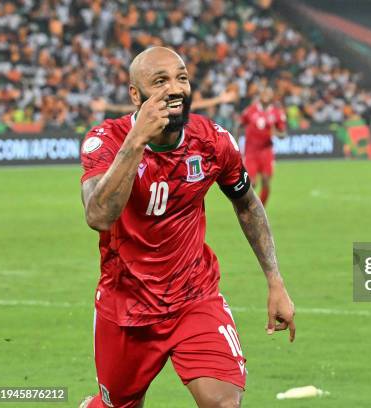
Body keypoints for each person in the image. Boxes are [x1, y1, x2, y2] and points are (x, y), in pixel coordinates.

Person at [79, 47, 296, 408]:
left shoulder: (213, 141)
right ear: (136, 95)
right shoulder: (105, 140)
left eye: (181, 78)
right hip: (127, 307)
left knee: (223, 403)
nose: (175, 88)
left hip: (194, 298)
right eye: (160, 81)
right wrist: (137, 142)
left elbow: (247, 203)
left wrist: (275, 281)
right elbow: (99, 215)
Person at [239, 87, 287, 206]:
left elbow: (283, 133)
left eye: (268, 93)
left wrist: (276, 132)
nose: (266, 95)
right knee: (251, 183)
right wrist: (236, 144)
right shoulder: (250, 110)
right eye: (264, 93)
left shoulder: (277, 113)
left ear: (272, 96)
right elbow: (240, 125)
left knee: (266, 181)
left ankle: (261, 208)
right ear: (260, 95)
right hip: (251, 151)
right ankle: (247, 207)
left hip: (266, 151)